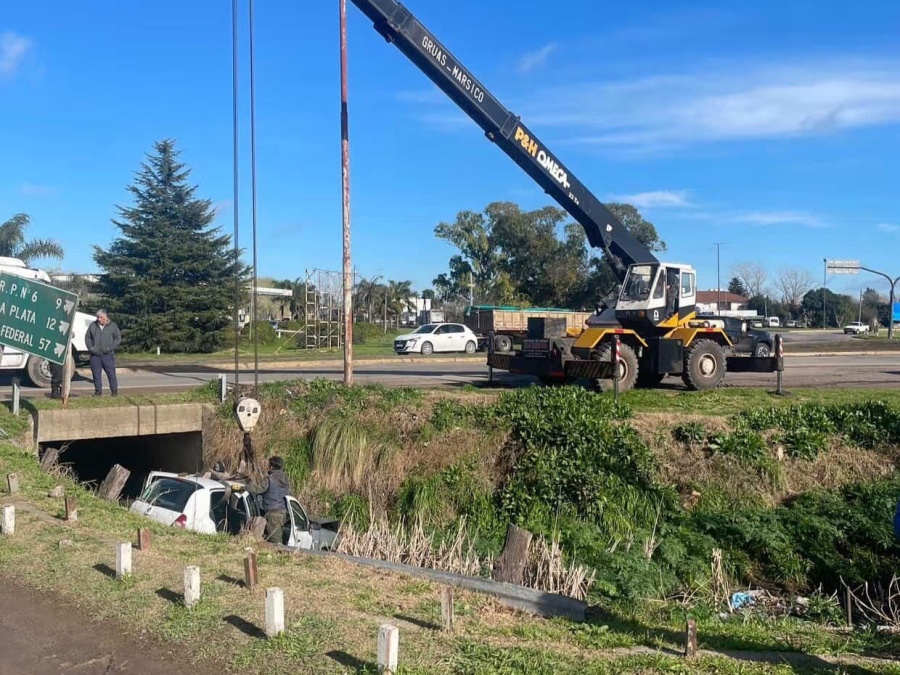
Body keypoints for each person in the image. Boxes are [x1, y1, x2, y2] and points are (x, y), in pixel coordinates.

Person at [246, 456, 291, 543]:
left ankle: (279, 556)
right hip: (282, 512)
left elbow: (258, 489)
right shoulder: (285, 478)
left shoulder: (269, 479)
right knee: (278, 534)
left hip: (272, 513)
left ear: (271, 466)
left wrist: (245, 487)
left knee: (275, 541)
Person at [85, 309, 121, 397]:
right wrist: (91, 348)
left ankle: (114, 391)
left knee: (111, 373)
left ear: (105, 316)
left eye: (101, 317)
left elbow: (117, 338)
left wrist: (110, 348)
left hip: (107, 355)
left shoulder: (113, 326)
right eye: (98, 317)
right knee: (96, 374)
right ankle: (98, 392)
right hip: (95, 355)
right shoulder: (93, 325)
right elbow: (87, 337)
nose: (99, 319)